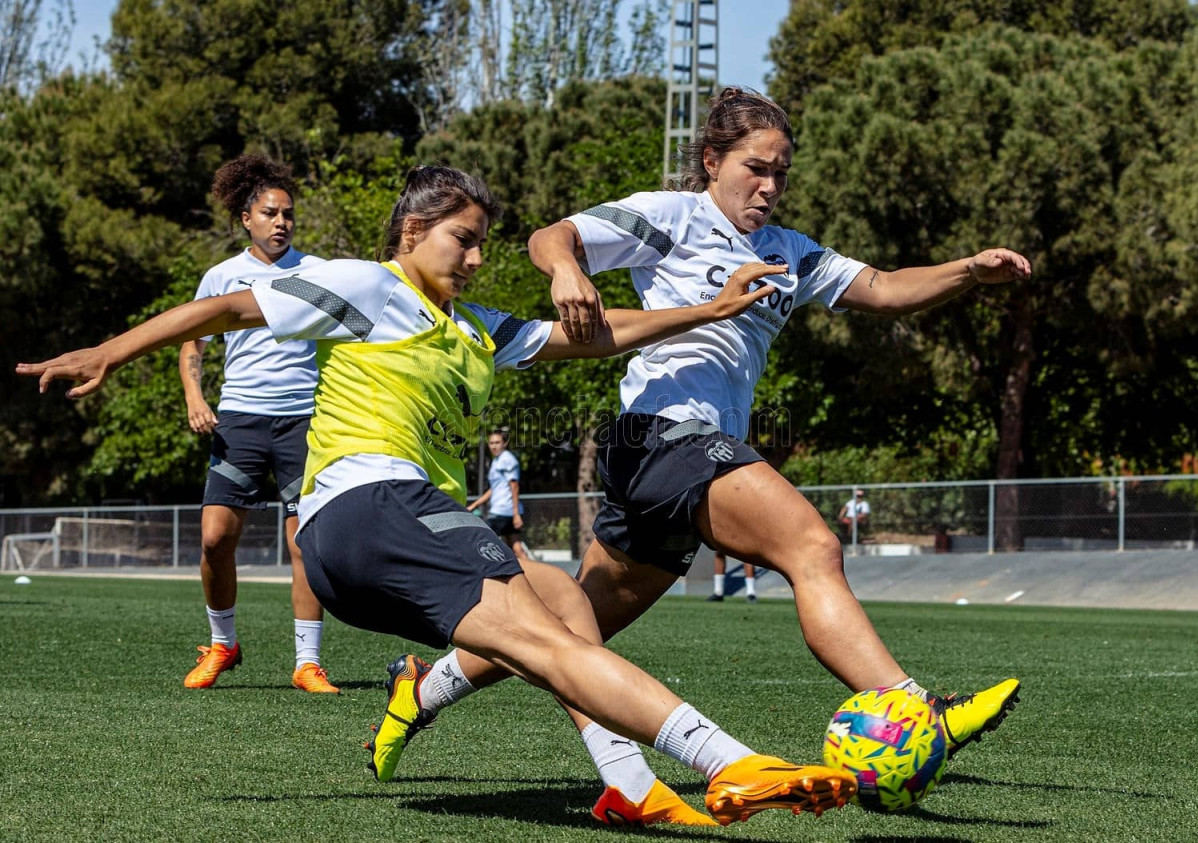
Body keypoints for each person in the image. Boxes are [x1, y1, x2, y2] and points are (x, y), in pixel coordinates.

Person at [18, 164, 859, 827]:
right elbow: (227, 309)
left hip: (397, 527)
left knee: (565, 604)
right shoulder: (368, 287)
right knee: (546, 639)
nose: (477, 257)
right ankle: (731, 761)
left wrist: (707, 309)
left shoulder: (474, 327)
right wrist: (109, 351)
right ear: (414, 231)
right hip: (369, 509)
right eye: (464, 239)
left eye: (483, 242)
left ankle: (628, 784)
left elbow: (593, 338)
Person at [395, 88, 1025, 827]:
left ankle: (423, 689)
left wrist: (967, 270)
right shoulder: (672, 216)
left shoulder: (790, 251)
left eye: (781, 173)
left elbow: (883, 289)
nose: (770, 186)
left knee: (568, 627)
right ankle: (916, 709)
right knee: (812, 545)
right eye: (756, 168)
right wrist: (566, 271)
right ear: (711, 161)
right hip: (661, 436)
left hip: (679, 458)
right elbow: (551, 236)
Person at [178, 154, 337, 693]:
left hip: (304, 423)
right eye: (270, 213)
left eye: (288, 214)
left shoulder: (319, 273)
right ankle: (222, 644)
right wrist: (194, 396)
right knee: (214, 539)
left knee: (304, 544)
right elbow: (192, 342)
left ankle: (307, 662)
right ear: (247, 218)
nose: (281, 222)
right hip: (240, 421)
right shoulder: (221, 276)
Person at [467, 429, 531, 563]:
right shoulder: (497, 460)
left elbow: (514, 485)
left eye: (497, 442)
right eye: (491, 443)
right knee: (516, 547)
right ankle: (534, 574)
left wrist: (516, 514)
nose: (494, 446)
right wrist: (474, 505)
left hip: (503, 512)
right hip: (504, 512)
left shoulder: (507, 459)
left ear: (505, 443)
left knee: (482, 540)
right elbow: (494, 489)